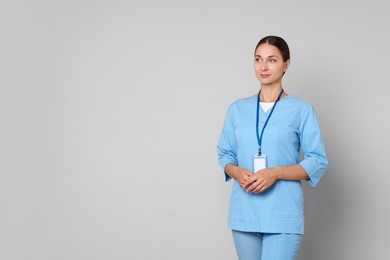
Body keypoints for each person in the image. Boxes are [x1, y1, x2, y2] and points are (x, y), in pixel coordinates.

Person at [217, 36, 328, 260]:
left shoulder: (301, 110)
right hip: (244, 213)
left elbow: (317, 160)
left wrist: (274, 173)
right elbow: (225, 153)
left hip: (282, 213)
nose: (263, 66)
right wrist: (237, 172)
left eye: (272, 60)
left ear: (286, 65)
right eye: (258, 59)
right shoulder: (237, 109)